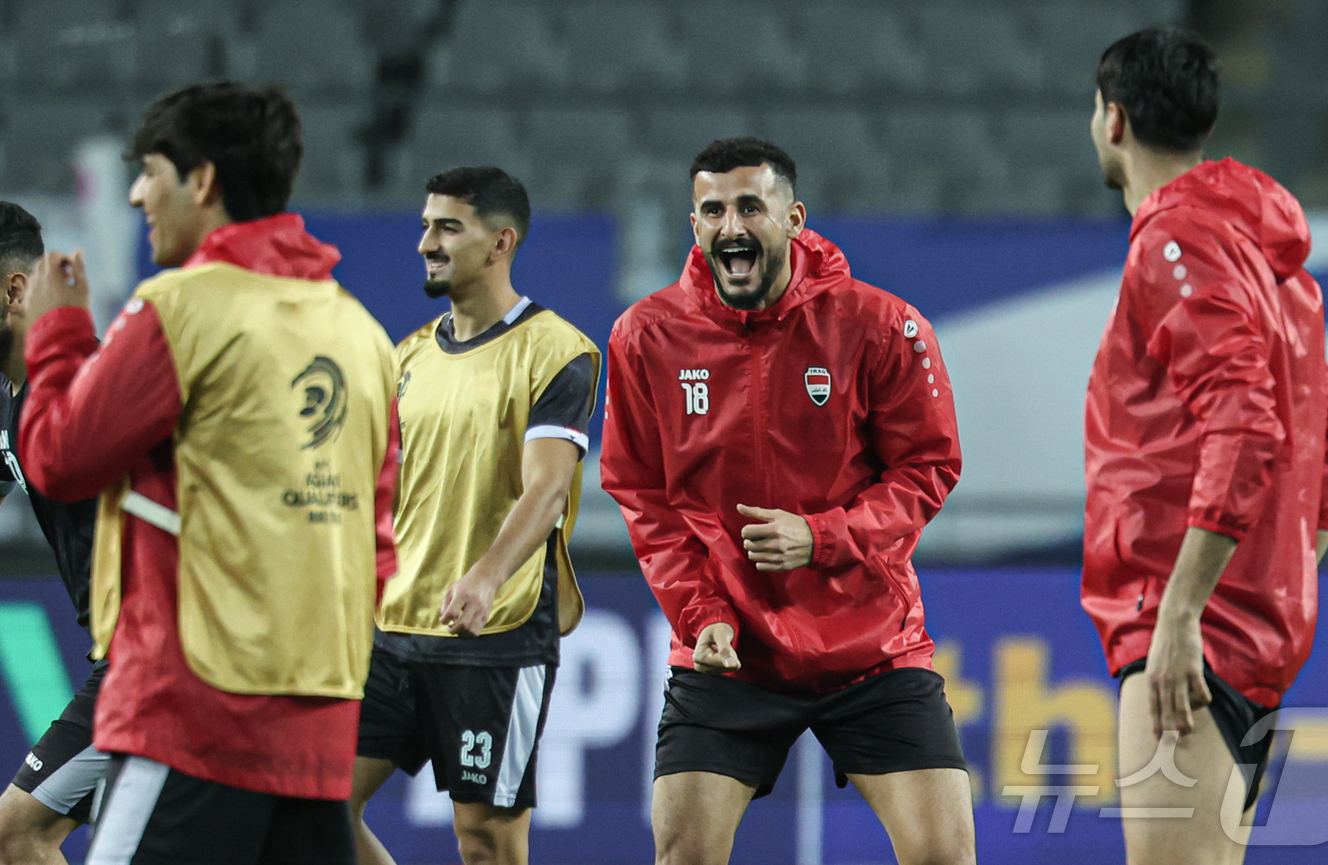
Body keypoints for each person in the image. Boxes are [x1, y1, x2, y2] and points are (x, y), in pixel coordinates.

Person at [18, 82, 400, 864]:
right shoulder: (359, 330)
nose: (135, 194)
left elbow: (58, 459)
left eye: (150, 171)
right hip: (318, 725)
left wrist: (58, 331)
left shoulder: (181, 307)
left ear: (202, 180)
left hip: (190, 717)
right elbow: (378, 540)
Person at [601, 138, 975, 865]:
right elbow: (641, 495)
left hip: (870, 647)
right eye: (713, 210)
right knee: (684, 856)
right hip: (727, 654)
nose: (731, 226)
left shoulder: (881, 326)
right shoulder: (644, 337)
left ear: (794, 217)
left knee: (945, 856)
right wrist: (700, 613)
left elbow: (928, 467)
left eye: (750, 206)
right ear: (694, 223)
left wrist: (824, 536)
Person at [1082, 28, 1328, 865]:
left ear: (1115, 121)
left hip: (1190, 645)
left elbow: (1246, 421)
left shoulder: (1176, 242)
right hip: (1242, 640)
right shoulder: (1263, 258)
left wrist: (1185, 610)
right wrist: (1273, 578)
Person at [350, 167, 599, 865]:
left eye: (447, 227)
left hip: (498, 631)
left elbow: (547, 489)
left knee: (485, 840)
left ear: (500, 242)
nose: (426, 241)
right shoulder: (407, 358)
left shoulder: (557, 352)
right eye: (426, 225)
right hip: (394, 625)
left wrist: (486, 577)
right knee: (311, 806)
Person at [0, 201, 104, 865]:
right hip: (138, 658)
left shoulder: (82, 380)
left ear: (13, 288)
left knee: (18, 831)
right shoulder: (19, 397)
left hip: (169, 659)